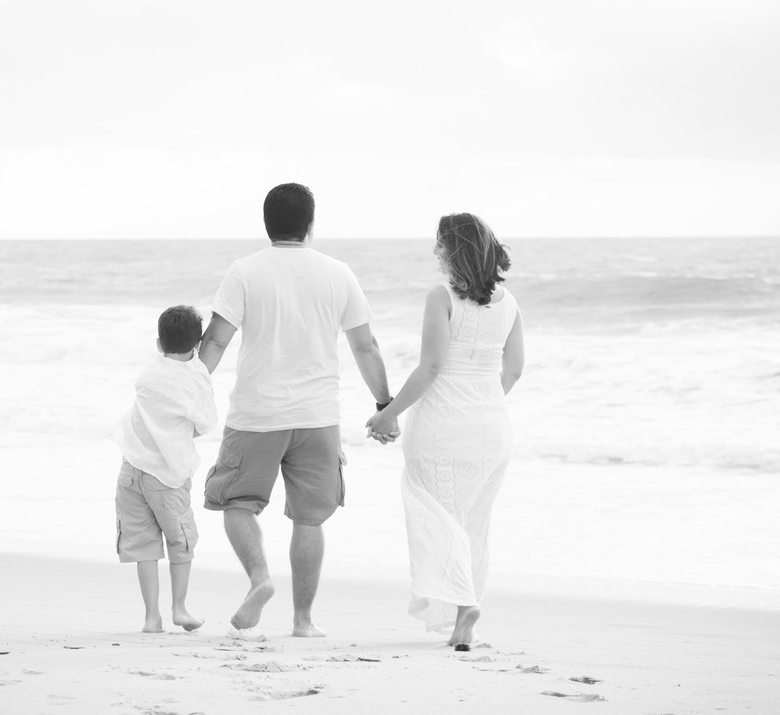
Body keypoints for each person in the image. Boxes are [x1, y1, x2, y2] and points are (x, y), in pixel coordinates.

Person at [198, 183, 396, 637]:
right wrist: (385, 404)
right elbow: (365, 346)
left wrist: (187, 392)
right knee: (310, 518)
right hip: (317, 416)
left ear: (267, 225)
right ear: (310, 224)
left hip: (256, 414)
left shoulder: (244, 271)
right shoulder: (338, 272)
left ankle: (260, 579)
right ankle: (303, 622)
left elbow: (215, 341)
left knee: (235, 503)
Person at [366, 213, 525, 652]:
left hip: (442, 426)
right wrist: (484, 403)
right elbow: (513, 370)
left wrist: (387, 414)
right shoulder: (508, 303)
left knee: (434, 514)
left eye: (439, 244)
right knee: (474, 523)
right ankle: (463, 624)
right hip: (492, 427)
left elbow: (432, 367)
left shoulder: (442, 297)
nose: (435, 252)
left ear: (449, 250)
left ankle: (465, 601)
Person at [114, 305, 217, 633]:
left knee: (144, 545)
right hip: (167, 478)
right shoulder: (196, 378)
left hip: (131, 470)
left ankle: (151, 617)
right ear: (197, 346)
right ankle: (179, 608)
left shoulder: (147, 375)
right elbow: (207, 423)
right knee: (180, 542)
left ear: (159, 344)